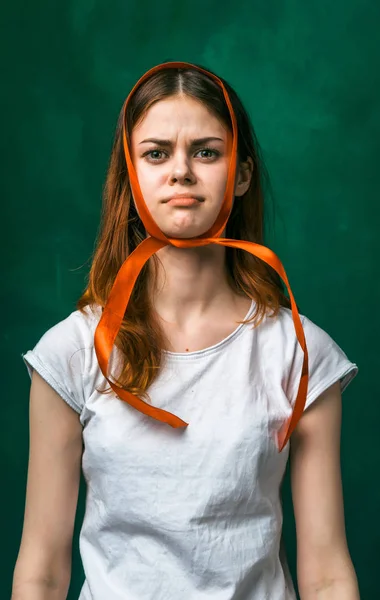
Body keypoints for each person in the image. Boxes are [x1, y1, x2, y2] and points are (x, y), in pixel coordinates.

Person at [12, 62, 360, 600]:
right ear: (131, 173)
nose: (181, 172)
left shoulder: (299, 351)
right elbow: (41, 570)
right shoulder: (73, 351)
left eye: (206, 151)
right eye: (156, 153)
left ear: (240, 175)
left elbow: (328, 574)